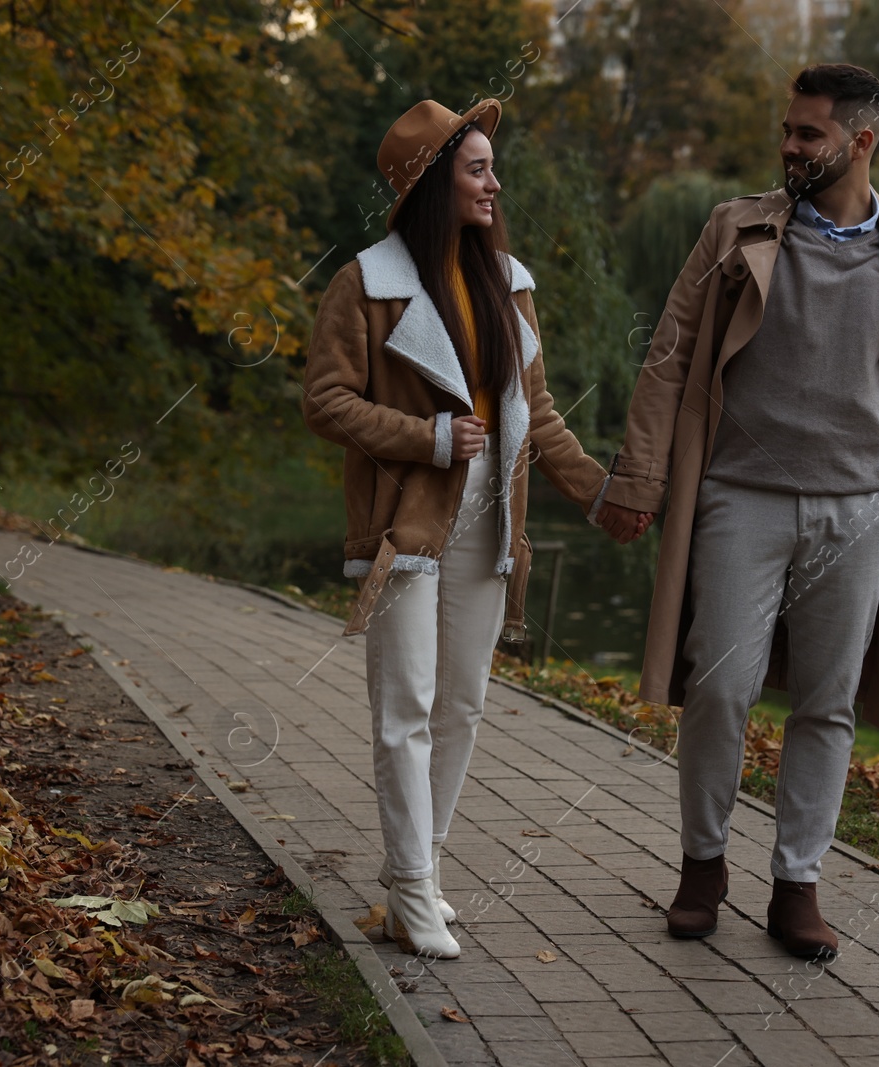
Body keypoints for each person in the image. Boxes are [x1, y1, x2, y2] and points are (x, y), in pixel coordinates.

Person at [593, 64, 879, 960]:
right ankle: (703, 864)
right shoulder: (738, 227)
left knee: (827, 704)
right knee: (718, 688)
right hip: (738, 500)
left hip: (859, 514)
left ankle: (797, 883)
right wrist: (640, 481)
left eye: (809, 134)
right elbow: (670, 357)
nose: (791, 146)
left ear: (860, 141)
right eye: (789, 130)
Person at [301, 98, 640, 959]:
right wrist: (428, 436)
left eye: (493, 167)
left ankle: (421, 870)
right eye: (476, 167)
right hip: (410, 517)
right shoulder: (365, 284)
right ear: (430, 182)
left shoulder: (510, 282)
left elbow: (542, 416)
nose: (495, 183)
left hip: (494, 512)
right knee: (404, 702)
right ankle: (411, 890)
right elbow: (326, 401)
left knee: (463, 700)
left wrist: (603, 495)